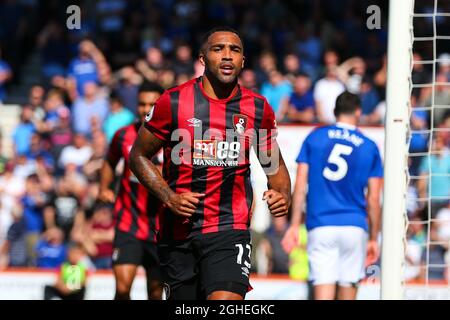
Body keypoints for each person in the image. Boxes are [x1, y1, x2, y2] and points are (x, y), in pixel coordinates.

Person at [129, 27, 291, 301]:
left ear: (243, 60)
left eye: (234, 50)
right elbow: (138, 156)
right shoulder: (173, 101)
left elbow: (274, 166)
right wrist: (169, 197)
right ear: (202, 59)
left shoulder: (257, 108)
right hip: (177, 232)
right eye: (218, 49)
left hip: (229, 229)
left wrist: (283, 194)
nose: (227, 56)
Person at [282, 91, 383, 300]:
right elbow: (373, 199)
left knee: (322, 294)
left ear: (334, 112)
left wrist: (293, 225)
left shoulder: (315, 137)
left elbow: (300, 185)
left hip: (321, 225)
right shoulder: (369, 146)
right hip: (354, 226)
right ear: (358, 111)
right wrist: (374, 237)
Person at [99, 81, 164, 300]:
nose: (146, 109)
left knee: (156, 293)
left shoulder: (175, 139)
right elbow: (109, 161)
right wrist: (104, 187)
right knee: (123, 287)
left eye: (151, 104)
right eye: (142, 104)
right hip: (129, 223)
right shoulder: (123, 135)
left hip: (161, 229)